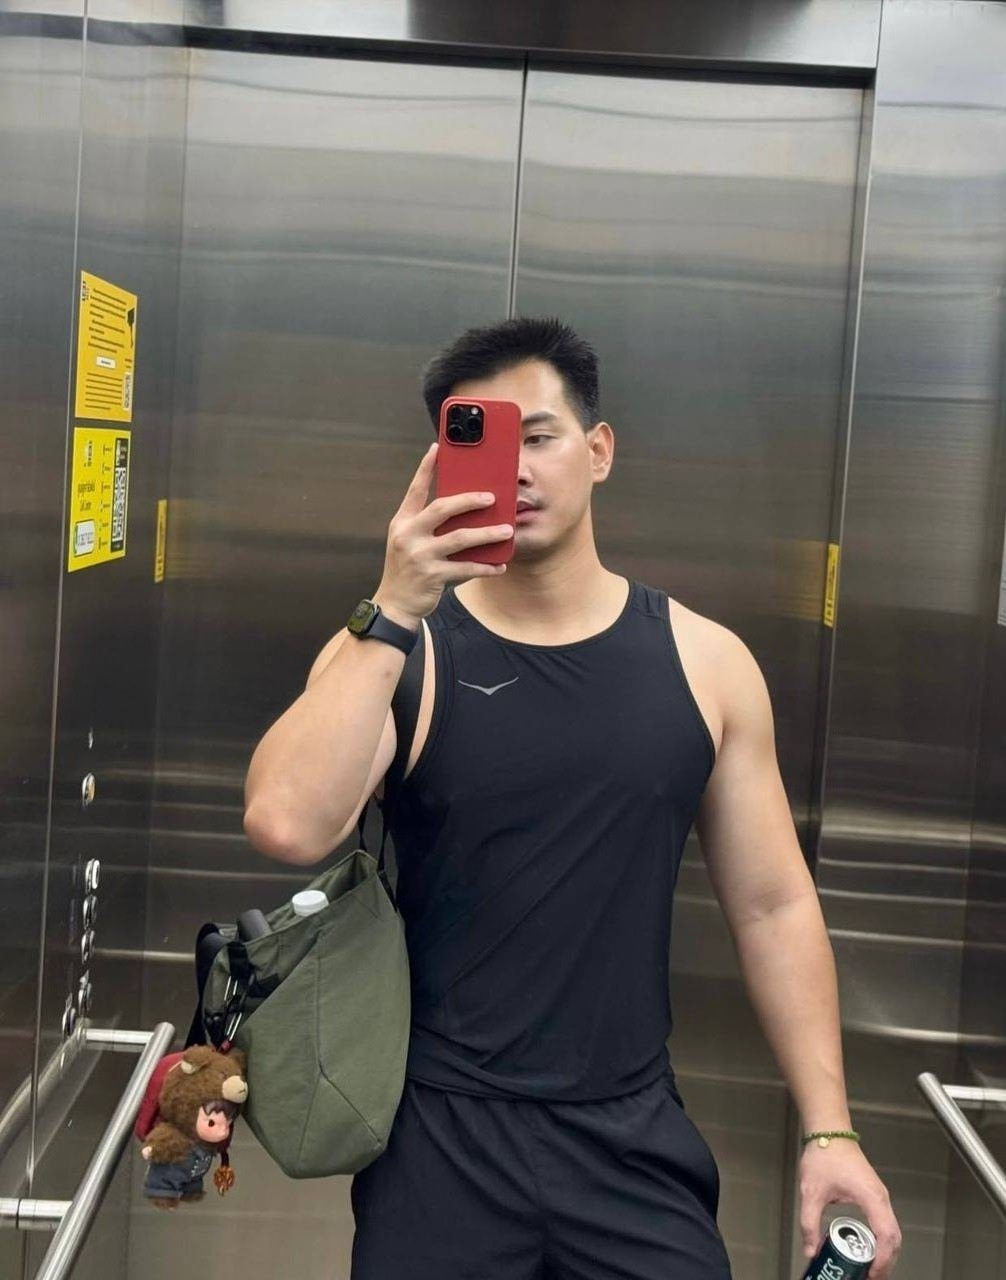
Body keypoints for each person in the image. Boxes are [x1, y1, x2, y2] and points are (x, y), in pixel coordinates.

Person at [243, 318, 903, 1279]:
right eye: (484, 442)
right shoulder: (400, 651)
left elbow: (773, 906)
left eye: (540, 436)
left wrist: (829, 1130)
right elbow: (287, 823)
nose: (514, 470)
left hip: (632, 1135)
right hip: (439, 1143)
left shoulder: (707, 663)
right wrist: (394, 608)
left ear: (599, 451)